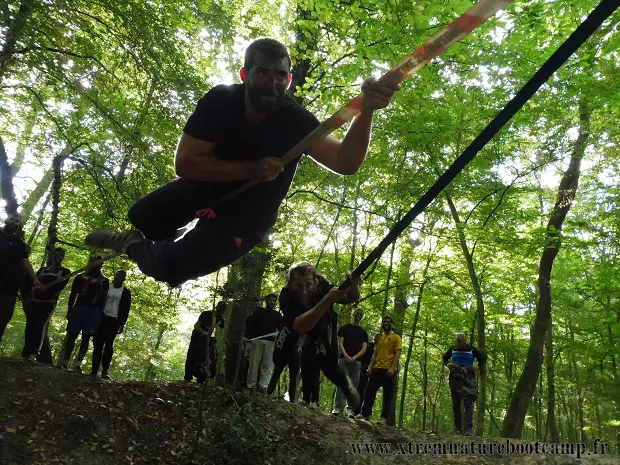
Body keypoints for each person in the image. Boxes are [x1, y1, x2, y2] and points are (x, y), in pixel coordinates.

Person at [84, 38, 400, 287]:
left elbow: (345, 162)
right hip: (205, 187)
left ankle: (132, 247)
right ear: (245, 74)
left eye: (281, 75)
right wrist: (252, 169)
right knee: (142, 216)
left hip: (246, 215)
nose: (272, 82)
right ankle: (151, 240)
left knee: (171, 267)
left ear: (289, 80)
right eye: (263, 72)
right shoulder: (220, 101)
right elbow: (186, 163)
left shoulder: (296, 122)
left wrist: (368, 110)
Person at [267, 262, 362, 410]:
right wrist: (328, 300)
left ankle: (345, 385)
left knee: (329, 367)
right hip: (295, 327)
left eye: (308, 285)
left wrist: (354, 284)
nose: (304, 291)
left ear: (316, 283)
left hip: (323, 326)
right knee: (281, 357)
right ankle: (270, 392)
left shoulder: (324, 285)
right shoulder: (286, 296)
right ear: (290, 284)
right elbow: (300, 326)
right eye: (298, 285)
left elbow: (350, 297)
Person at [59, 256, 109, 372]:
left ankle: (77, 365)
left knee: (86, 337)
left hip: (93, 311)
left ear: (101, 265)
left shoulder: (104, 281)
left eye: (97, 263)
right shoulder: (80, 277)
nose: (94, 265)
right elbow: (73, 294)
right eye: (92, 262)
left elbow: (104, 300)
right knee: (72, 335)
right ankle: (65, 362)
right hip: (79, 308)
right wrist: (70, 310)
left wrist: (99, 315)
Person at [22, 247, 71, 361]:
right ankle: (26, 352)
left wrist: (46, 289)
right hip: (35, 301)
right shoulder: (43, 269)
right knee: (30, 325)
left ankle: (34, 353)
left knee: (40, 326)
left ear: (62, 257)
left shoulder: (64, 271)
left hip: (48, 303)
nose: (56, 256)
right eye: (54, 254)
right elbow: (34, 281)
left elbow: (61, 285)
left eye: (59, 254)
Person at [0, 214, 41, 344]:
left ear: (18, 225)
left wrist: (34, 279)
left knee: (2, 320)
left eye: (17, 221)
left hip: (9, 290)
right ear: (6, 220)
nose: (14, 222)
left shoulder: (18, 242)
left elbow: (25, 262)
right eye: (12, 219)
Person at [357, 315, 402, 423]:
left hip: (388, 370)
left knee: (387, 395)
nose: (386, 323)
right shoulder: (380, 338)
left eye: (388, 322)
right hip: (376, 369)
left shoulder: (396, 337)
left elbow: (398, 353)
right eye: (384, 322)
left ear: (391, 324)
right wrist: (370, 367)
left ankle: (383, 418)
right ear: (382, 324)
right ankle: (365, 414)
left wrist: (393, 367)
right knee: (369, 391)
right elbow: (375, 353)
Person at [90, 270, 131, 379]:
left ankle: (105, 370)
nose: (117, 277)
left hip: (114, 321)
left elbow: (126, 309)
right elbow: (99, 300)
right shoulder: (107, 288)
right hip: (102, 318)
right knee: (97, 344)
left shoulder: (126, 292)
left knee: (109, 345)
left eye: (120, 276)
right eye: (117, 275)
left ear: (124, 279)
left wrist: (122, 324)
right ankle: (94, 370)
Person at [442, 332, 486, 435]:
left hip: (468, 378)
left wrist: (478, 366)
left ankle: (468, 429)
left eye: (462, 341)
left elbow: (482, 359)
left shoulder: (471, 349)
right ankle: (457, 429)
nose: (460, 343)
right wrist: (447, 364)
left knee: (468, 403)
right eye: (459, 342)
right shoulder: (453, 349)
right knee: (456, 403)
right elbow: (445, 358)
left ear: (465, 340)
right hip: (455, 377)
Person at [332, 309, 368, 417]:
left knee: (353, 385)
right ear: (353, 314)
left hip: (356, 362)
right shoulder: (344, 328)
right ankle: (338, 408)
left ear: (362, 317)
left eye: (361, 314)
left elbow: (364, 348)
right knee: (341, 383)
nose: (358, 315)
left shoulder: (363, 332)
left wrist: (354, 357)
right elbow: (340, 343)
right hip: (343, 360)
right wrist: (347, 356)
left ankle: (350, 410)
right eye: (357, 313)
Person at [245, 293, 281, 393]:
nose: (272, 302)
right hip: (257, 340)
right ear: (266, 300)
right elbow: (251, 324)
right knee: (254, 363)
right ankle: (250, 386)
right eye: (270, 300)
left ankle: (263, 386)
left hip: (271, 342)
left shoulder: (277, 315)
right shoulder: (258, 311)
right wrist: (247, 336)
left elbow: (281, 329)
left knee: (267, 365)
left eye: (274, 301)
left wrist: (277, 336)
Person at [184, 301, 226, 383]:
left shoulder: (220, 318)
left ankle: (201, 377)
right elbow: (196, 326)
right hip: (197, 336)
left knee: (203, 357)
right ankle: (188, 377)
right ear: (217, 307)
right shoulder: (206, 314)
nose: (221, 310)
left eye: (223, 308)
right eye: (221, 307)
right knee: (192, 354)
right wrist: (204, 332)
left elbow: (222, 329)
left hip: (206, 339)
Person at [354, 332, 379, 416]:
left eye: (379, 338)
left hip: (374, 372)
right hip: (363, 371)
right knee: (360, 390)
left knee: (370, 393)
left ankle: (366, 413)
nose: (377, 339)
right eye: (376, 337)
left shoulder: (380, 348)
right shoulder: (368, 346)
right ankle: (356, 411)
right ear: (373, 338)